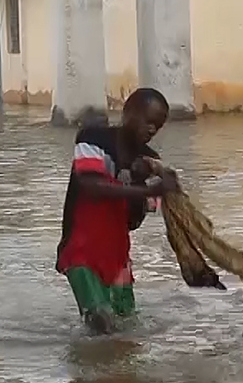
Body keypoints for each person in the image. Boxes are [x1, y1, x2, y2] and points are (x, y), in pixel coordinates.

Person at [56, 87, 180, 334]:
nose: (152, 130)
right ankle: (90, 372)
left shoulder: (149, 160)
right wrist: (149, 191)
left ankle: (118, 372)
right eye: (148, 121)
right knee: (101, 322)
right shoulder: (93, 139)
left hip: (118, 256)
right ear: (128, 112)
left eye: (158, 125)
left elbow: (133, 222)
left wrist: (138, 180)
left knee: (126, 329)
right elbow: (90, 184)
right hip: (81, 249)